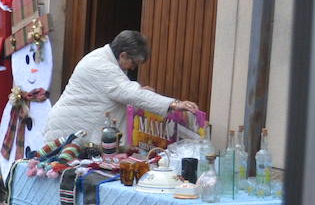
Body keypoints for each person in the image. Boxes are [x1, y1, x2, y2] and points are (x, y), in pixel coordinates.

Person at [43, 30, 199, 142]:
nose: (132, 68)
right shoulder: (102, 65)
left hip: (74, 128)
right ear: (123, 55)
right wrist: (173, 104)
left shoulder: (102, 58)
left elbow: (120, 90)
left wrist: (136, 91)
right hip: (69, 131)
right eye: (134, 63)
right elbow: (131, 93)